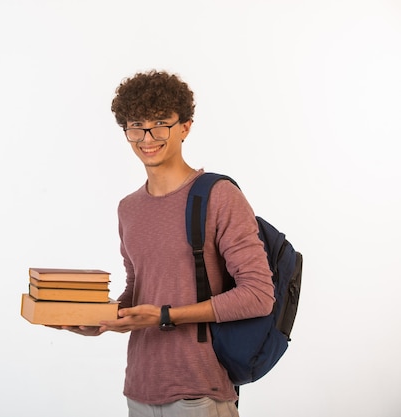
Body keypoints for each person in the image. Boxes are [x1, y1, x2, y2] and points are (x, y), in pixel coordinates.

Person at [62, 70, 275, 417]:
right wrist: (100, 320)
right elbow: (139, 288)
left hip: (199, 392)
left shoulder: (218, 196)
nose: (147, 137)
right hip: (140, 389)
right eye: (136, 125)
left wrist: (165, 316)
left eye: (160, 123)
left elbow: (259, 295)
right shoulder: (128, 208)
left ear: (185, 127)